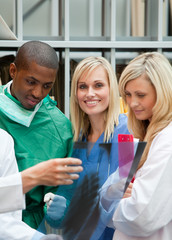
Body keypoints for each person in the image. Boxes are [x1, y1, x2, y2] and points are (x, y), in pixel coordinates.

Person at [0, 40, 81, 230]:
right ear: (13, 71)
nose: (37, 93)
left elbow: (64, 193)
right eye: (31, 82)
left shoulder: (60, 129)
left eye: (47, 86)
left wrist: (61, 208)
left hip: (30, 228)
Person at [99, 51, 172, 240]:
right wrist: (112, 195)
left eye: (140, 95)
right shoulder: (133, 135)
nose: (132, 103)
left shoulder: (166, 140)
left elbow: (141, 216)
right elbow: (106, 193)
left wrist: (111, 203)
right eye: (128, 95)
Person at [69, 56, 130, 240]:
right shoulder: (77, 140)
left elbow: (126, 194)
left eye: (98, 85)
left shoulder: (127, 133)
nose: (89, 93)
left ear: (111, 89)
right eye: (82, 86)